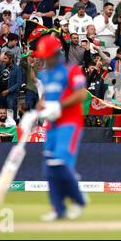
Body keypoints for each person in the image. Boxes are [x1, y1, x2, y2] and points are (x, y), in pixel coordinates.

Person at [31, 34, 88, 221]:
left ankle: (79, 199)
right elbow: (45, 98)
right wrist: (35, 112)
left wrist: (59, 105)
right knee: (49, 166)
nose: (44, 59)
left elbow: (81, 95)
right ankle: (58, 209)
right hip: (52, 125)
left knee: (59, 163)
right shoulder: (45, 74)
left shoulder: (71, 70)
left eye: (46, 55)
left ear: (56, 53)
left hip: (70, 123)